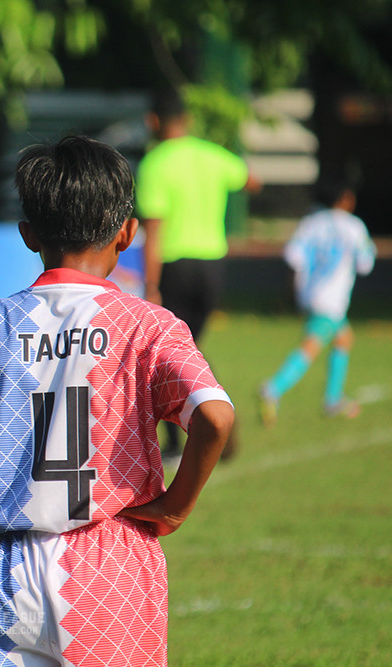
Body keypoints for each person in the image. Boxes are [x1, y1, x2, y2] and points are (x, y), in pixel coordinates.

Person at [0, 135, 234, 666]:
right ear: (127, 232)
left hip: (1, 566)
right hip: (110, 561)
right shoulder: (149, 326)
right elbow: (214, 417)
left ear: (28, 234)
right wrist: (176, 505)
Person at [136, 89, 258, 463]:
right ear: (186, 120)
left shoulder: (155, 162)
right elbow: (250, 179)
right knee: (186, 351)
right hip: (213, 266)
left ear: (153, 121)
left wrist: (151, 285)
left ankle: (197, 436)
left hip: (176, 266)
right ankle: (212, 426)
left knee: (167, 356)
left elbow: (153, 231)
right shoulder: (211, 155)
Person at [258, 178, 376, 425]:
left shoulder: (312, 222)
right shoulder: (354, 227)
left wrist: (292, 293)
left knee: (344, 338)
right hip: (333, 298)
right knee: (310, 346)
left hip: (310, 294)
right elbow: (365, 264)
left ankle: (333, 399)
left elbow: (293, 257)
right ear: (345, 199)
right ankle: (273, 388)